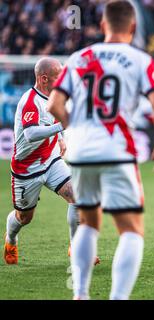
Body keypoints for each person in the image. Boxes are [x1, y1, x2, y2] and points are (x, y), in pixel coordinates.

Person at [47, 0, 154, 300]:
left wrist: (75, 129)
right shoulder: (140, 59)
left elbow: (54, 104)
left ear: (103, 26)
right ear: (133, 27)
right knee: (131, 230)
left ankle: (80, 294)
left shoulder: (79, 57)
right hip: (116, 148)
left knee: (88, 222)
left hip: (80, 151)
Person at [4, 57, 99, 265]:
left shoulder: (57, 96)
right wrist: (62, 127)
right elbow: (30, 134)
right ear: (44, 79)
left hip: (51, 159)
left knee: (77, 196)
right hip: (27, 168)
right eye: (59, 75)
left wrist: (60, 139)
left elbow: (54, 120)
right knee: (24, 218)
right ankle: (11, 239)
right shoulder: (30, 101)